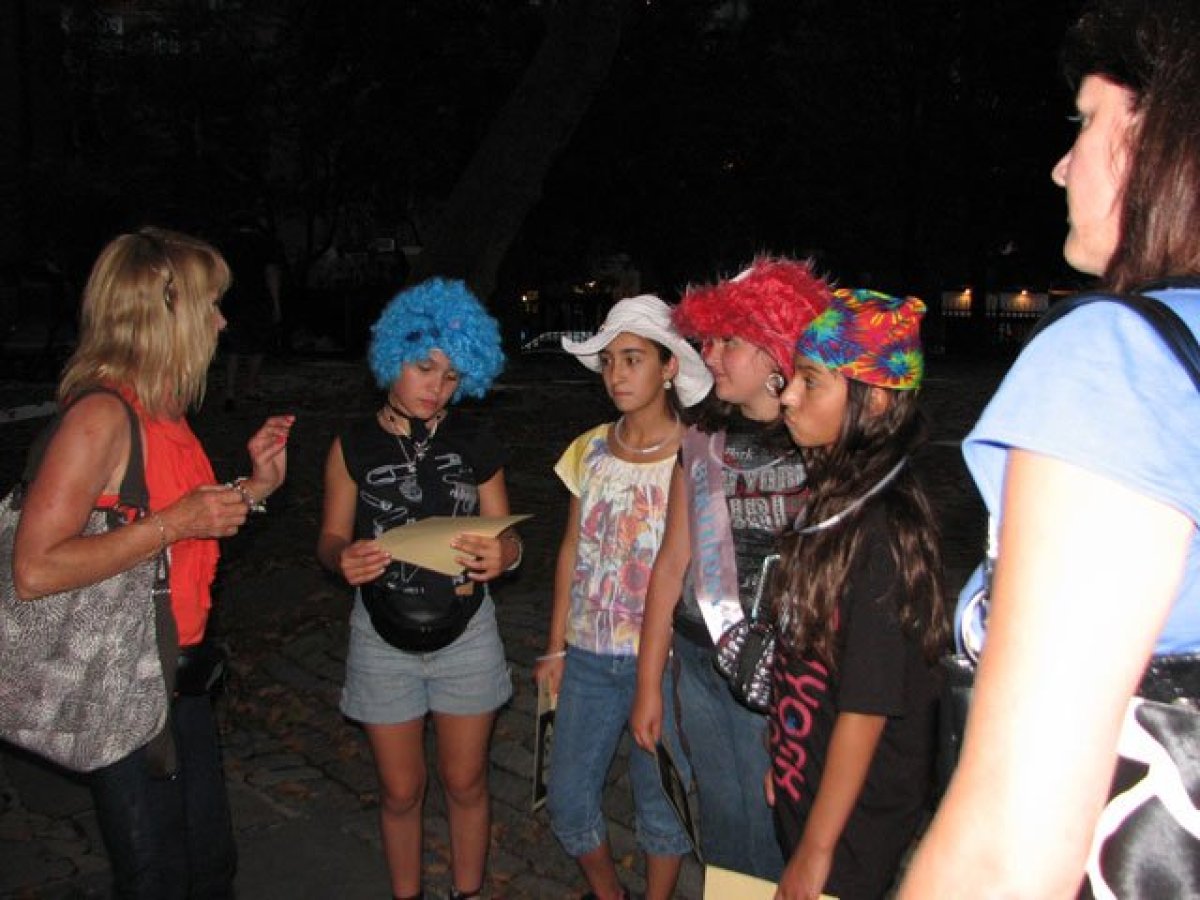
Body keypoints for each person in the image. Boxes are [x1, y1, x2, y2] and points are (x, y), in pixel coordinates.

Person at [899, 0, 1200, 896]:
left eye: (1087, 122)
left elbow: (1008, 848)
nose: (1063, 163)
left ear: (1162, 141)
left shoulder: (1119, 361)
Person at [12, 227, 294, 898]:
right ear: (162, 308)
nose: (224, 320)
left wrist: (255, 488)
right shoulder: (102, 418)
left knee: (209, 867)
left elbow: (179, 528)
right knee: (159, 878)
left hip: (175, 676)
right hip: (120, 681)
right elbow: (36, 569)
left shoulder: (164, 411)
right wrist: (177, 522)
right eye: (211, 303)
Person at [317, 277, 520, 900]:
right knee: (401, 790)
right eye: (424, 367)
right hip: (381, 635)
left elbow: (510, 540)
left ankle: (468, 893)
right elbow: (328, 537)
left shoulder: (476, 441)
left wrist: (502, 556)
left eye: (453, 376)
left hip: (465, 633)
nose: (437, 386)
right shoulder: (352, 443)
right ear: (390, 359)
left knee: (466, 781)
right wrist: (341, 557)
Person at [630, 256, 832, 880]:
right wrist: (647, 685)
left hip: (787, 678)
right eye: (708, 340)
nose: (710, 355)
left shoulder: (823, 449)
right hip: (698, 662)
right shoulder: (702, 444)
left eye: (729, 342)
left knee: (777, 825)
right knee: (720, 818)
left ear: (777, 352)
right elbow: (670, 568)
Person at [767, 289, 948, 900]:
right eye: (792, 376)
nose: (787, 394)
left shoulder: (884, 530)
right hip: (807, 782)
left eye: (811, 381)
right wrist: (785, 756)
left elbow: (867, 707)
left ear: (873, 400)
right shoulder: (834, 498)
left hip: (849, 830)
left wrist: (817, 852)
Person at [536, 294, 713, 900]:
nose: (615, 374)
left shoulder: (697, 457)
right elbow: (569, 550)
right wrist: (554, 647)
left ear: (669, 368)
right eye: (608, 360)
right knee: (566, 798)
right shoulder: (588, 450)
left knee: (660, 798)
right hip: (586, 655)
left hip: (663, 664)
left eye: (632, 359)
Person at [220, 211, 284, 411]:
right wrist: (276, 302)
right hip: (257, 299)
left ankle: (230, 392)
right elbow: (271, 273)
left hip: (233, 300)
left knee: (234, 347)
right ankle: (249, 386)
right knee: (257, 345)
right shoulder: (264, 243)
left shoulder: (226, 244)